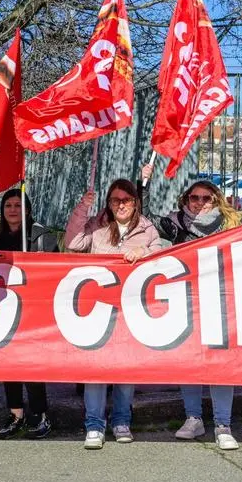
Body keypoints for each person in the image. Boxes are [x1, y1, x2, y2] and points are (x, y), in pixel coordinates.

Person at [65, 179, 165, 449]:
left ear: (135, 202)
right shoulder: (97, 227)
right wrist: (81, 210)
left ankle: (121, 420)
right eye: (115, 200)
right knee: (96, 369)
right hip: (98, 308)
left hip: (132, 309)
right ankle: (94, 424)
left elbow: (163, 253)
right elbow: (74, 243)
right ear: (108, 203)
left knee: (125, 368)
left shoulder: (147, 228)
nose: (121, 205)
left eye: (126, 200)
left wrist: (143, 251)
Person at [155, 167, 242, 450]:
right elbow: (142, 219)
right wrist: (143, 182)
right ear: (186, 199)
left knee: (220, 364)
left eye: (206, 198)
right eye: (194, 198)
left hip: (221, 298)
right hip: (187, 300)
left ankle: (223, 424)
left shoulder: (234, 222)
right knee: (190, 363)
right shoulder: (175, 224)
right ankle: (193, 418)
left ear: (216, 200)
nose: (199, 203)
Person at [0, 188, 58, 439]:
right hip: (6, 310)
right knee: (9, 363)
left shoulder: (42, 237)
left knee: (32, 365)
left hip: (35, 312)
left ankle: (40, 414)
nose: (13, 210)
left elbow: (58, 270)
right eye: (8, 206)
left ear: (27, 209)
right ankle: (16, 412)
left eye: (18, 205)